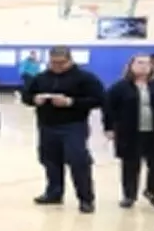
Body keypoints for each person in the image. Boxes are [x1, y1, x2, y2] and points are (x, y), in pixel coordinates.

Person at [22, 45, 105, 213]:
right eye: (53, 63)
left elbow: (99, 99)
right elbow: (26, 95)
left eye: (61, 63)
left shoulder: (85, 78)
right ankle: (54, 193)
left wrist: (71, 102)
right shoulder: (41, 78)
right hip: (47, 125)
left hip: (73, 125)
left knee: (78, 161)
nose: (57, 66)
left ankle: (86, 198)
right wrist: (34, 99)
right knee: (50, 160)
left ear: (70, 60)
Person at [103, 54, 154, 209]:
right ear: (131, 66)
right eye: (140, 63)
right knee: (130, 164)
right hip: (130, 132)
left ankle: (152, 191)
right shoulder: (119, 87)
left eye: (147, 63)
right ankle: (129, 195)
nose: (144, 66)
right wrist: (108, 128)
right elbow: (108, 109)